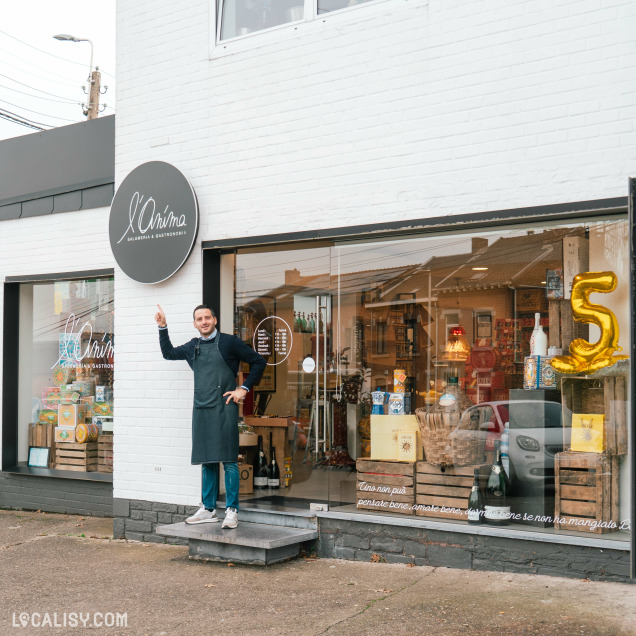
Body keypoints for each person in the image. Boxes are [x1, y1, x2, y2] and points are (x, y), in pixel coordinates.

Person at [154, 304, 266, 529]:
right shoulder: (192, 346)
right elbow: (168, 353)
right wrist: (163, 327)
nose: (203, 321)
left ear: (215, 320)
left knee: (229, 460)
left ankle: (232, 510)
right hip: (202, 408)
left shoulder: (229, 342)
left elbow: (258, 362)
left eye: (207, 317)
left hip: (224, 407)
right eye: (199, 319)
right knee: (207, 459)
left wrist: (243, 388)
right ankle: (208, 508)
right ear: (195, 324)